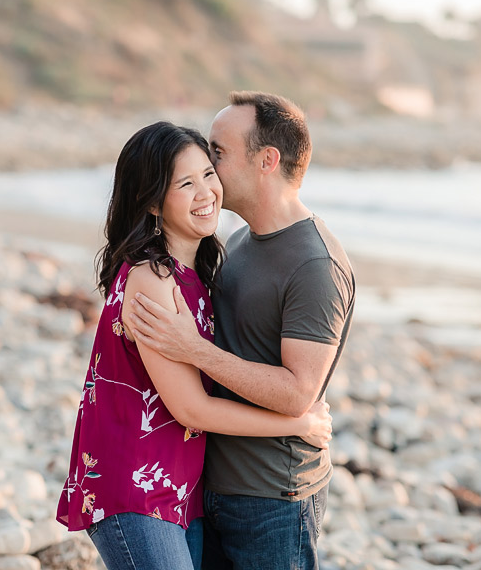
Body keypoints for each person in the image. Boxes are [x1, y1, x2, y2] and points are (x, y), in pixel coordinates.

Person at [55, 121, 333, 570]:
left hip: (180, 488)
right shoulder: (152, 280)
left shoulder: (195, 274)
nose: (207, 192)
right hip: (136, 487)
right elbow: (192, 409)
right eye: (186, 183)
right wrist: (296, 423)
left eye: (209, 174)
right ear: (152, 202)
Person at [128, 92, 356, 570]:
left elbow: (297, 393)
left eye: (219, 151)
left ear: (267, 160)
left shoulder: (315, 264)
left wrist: (192, 349)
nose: (206, 163)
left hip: (272, 497)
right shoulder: (237, 240)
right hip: (205, 487)